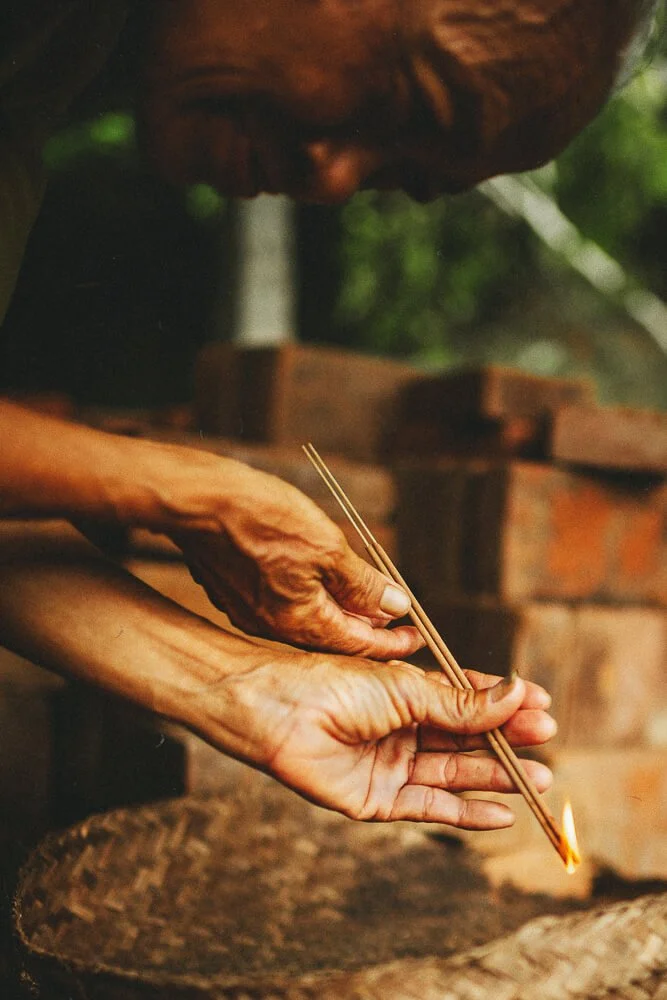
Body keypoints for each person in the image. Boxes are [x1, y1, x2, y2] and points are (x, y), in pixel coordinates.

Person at [0, 0, 656, 827]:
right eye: (398, 101)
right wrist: (193, 492)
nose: (332, 179)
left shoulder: (38, 87)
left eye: (394, 176)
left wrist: (246, 688)